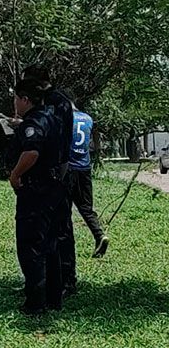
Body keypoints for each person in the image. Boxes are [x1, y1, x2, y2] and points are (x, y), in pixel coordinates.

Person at [9, 79, 63, 315]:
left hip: (36, 189)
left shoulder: (34, 122)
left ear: (25, 100)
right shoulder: (53, 118)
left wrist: (15, 174)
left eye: (16, 99)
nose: (15, 103)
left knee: (30, 246)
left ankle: (35, 303)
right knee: (51, 245)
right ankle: (53, 298)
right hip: (54, 188)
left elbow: (32, 152)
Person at [21, 65, 77, 296]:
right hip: (54, 168)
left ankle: (65, 280)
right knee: (45, 230)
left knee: (59, 228)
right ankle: (45, 281)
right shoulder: (57, 101)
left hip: (55, 170)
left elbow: (50, 135)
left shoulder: (54, 102)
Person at [67, 104, 108, 258]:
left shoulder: (64, 117)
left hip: (68, 168)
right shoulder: (88, 118)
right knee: (86, 207)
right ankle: (99, 235)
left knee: (63, 208)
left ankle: (64, 244)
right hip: (84, 167)